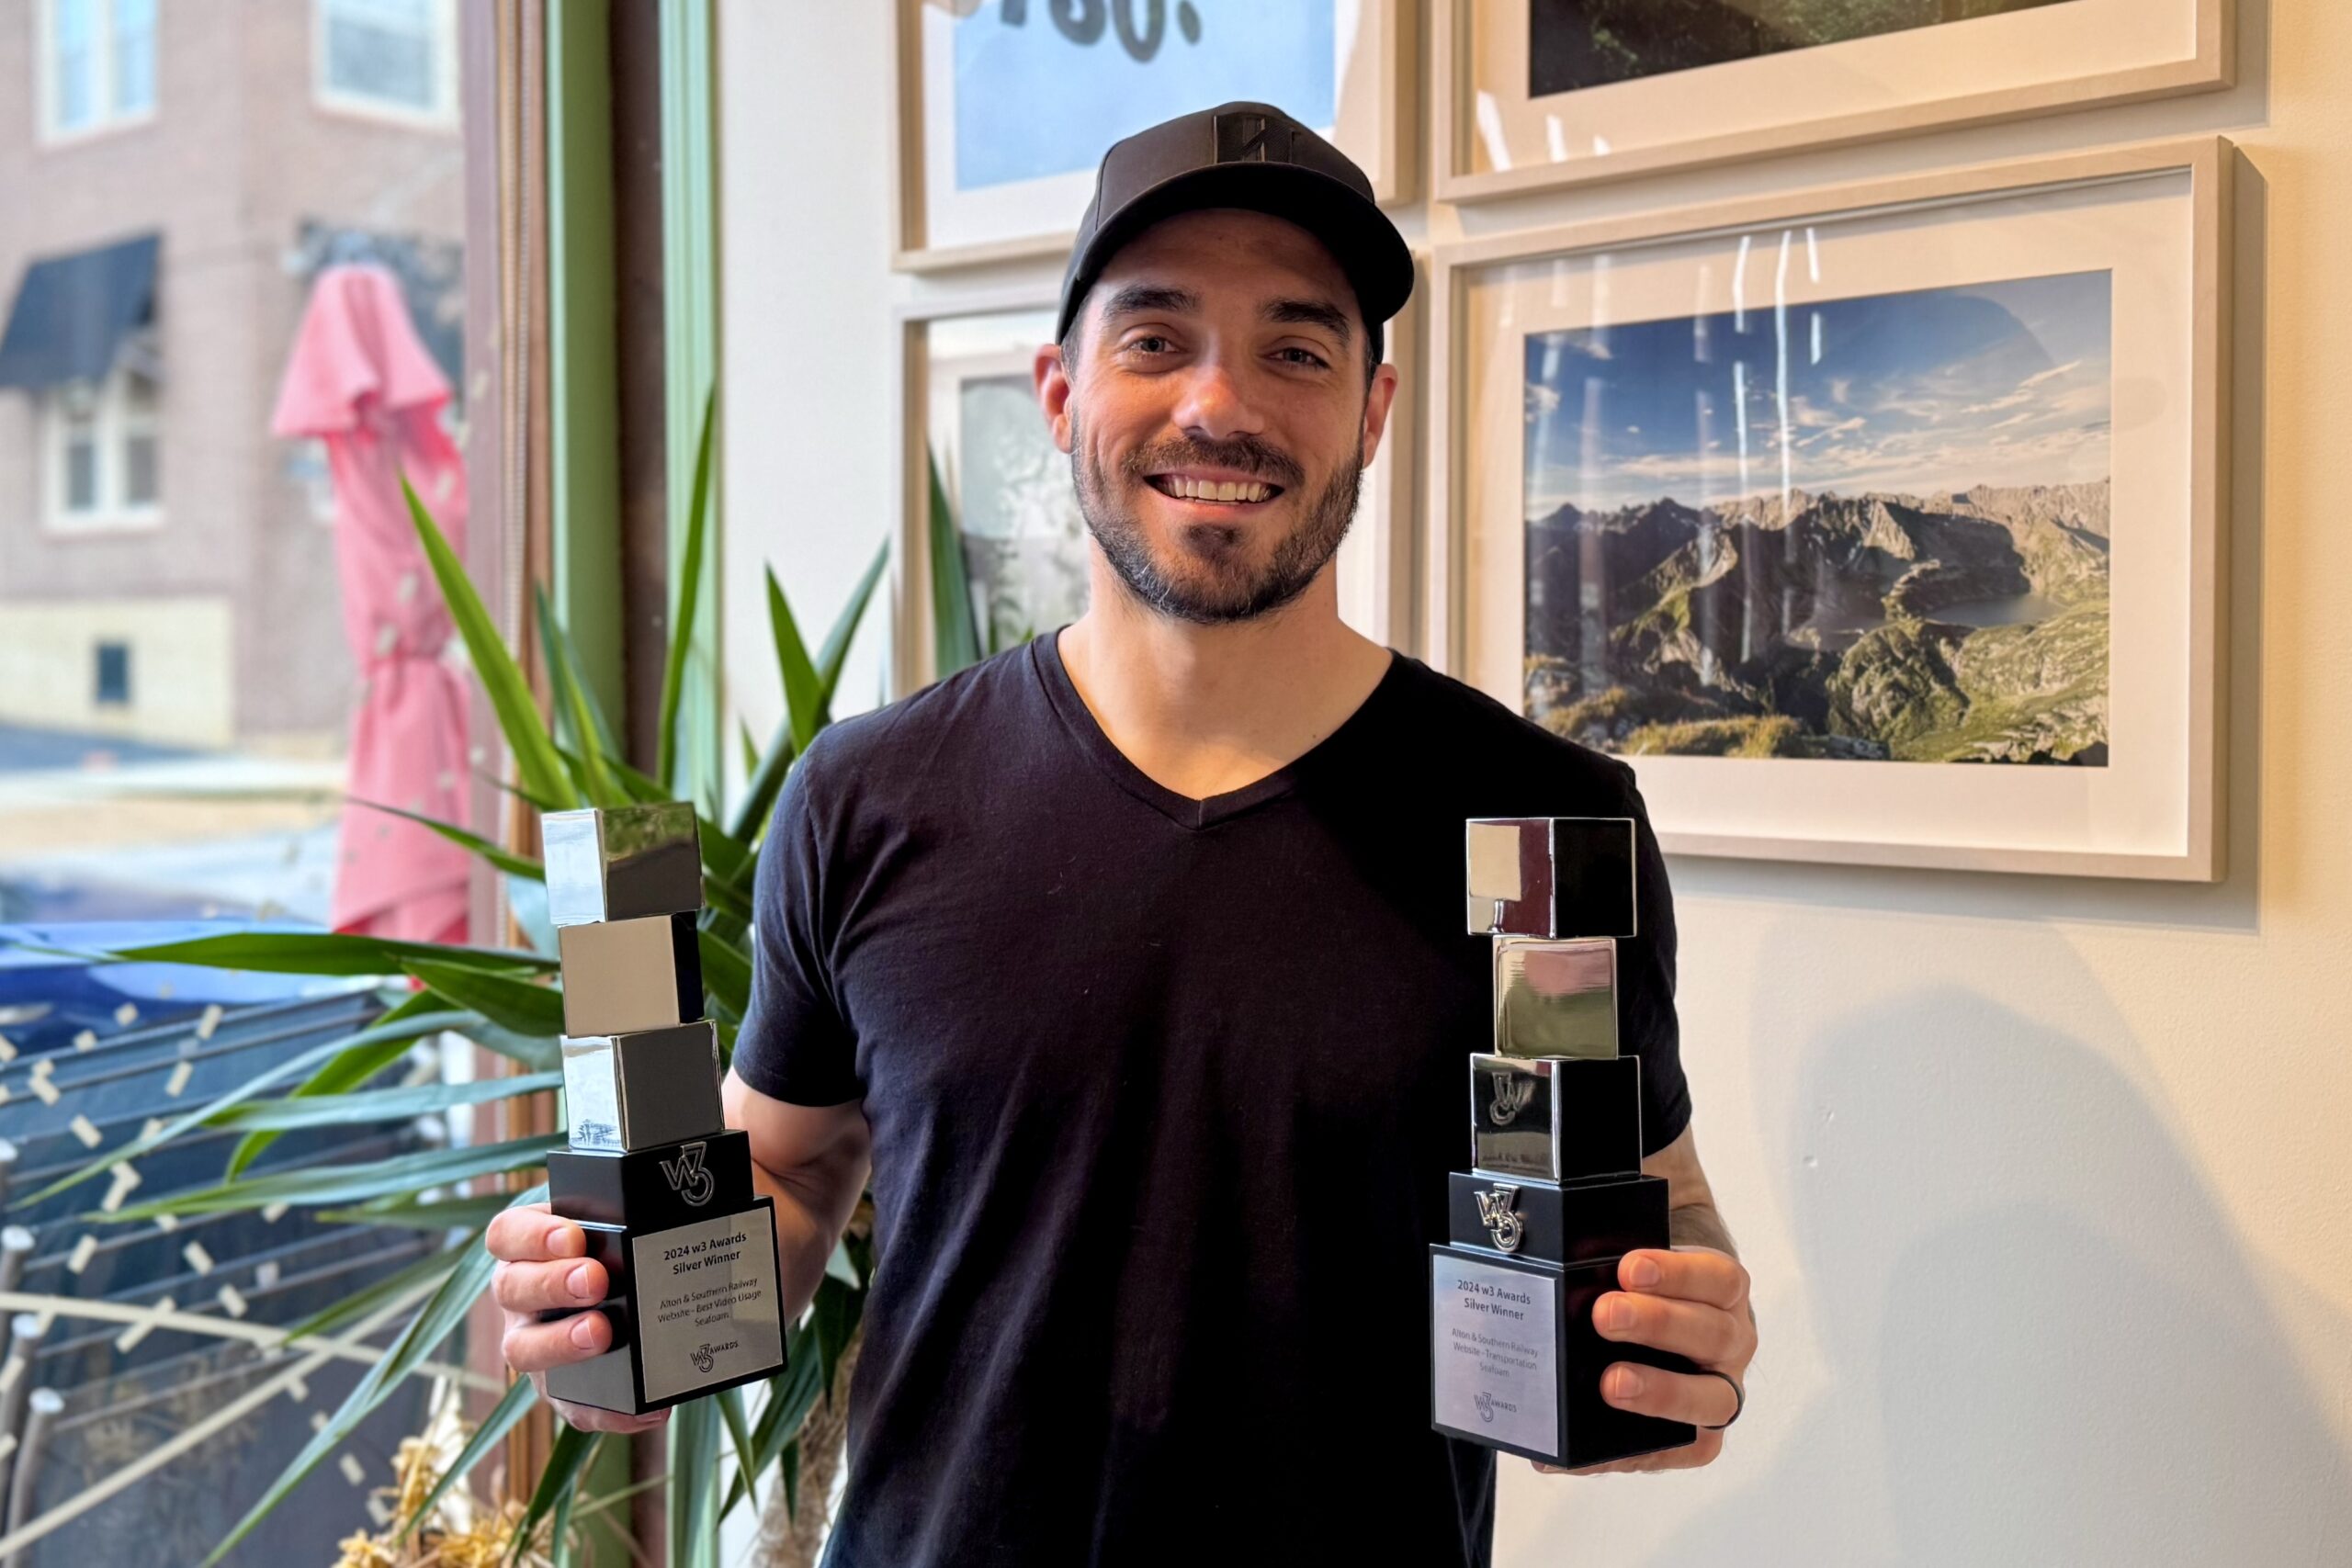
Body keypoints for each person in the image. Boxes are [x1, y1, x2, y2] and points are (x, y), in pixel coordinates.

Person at [488, 103, 1755, 1565]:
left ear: (1375, 410)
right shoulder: (867, 796)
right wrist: (626, 1295)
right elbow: (789, 1172)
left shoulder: (1541, 830)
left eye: (1296, 348)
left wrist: (1683, 1321)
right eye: (1156, 340)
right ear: (1058, 391)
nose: (1221, 404)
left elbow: (1658, 1203)